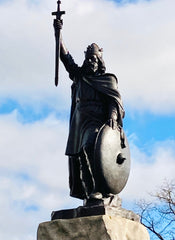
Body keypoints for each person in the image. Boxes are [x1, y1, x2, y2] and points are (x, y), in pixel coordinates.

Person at [54, 19, 126, 203]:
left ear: (100, 61)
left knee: (90, 147)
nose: (91, 61)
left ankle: (99, 188)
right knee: (79, 158)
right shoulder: (80, 77)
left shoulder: (108, 80)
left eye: (94, 59)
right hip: (79, 125)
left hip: (97, 124)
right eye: (88, 58)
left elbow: (114, 101)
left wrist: (113, 115)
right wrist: (58, 34)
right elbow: (65, 57)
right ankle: (89, 193)